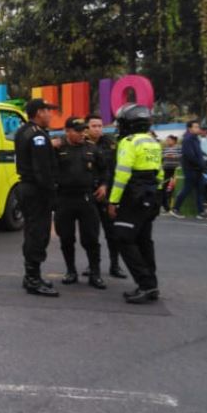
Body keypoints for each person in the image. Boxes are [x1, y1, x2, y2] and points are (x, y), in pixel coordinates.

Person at [107, 104, 164, 304]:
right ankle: (152, 285)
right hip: (151, 196)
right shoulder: (153, 142)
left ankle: (145, 285)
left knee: (122, 238)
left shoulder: (128, 142)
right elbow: (160, 173)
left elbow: (122, 175)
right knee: (143, 240)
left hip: (133, 197)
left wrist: (113, 201)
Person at [15, 98, 60, 297]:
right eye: (47, 110)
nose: (50, 114)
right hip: (37, 191)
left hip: (28, 189)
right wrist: (52, 193)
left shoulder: (24, 131)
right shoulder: (38, 136)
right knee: (38, 235)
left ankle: (32, 276)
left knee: (32, 232)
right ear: (39, 112)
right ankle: (33, 279)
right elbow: (42, 170)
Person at [55, 116, 105, 289]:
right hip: (64, 198)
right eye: (77, 131)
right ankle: (71, 271)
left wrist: (104, 185)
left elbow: (105, 170)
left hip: (86, 198)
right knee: (66, 237)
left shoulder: (92, 148)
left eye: (83, 130)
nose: (82, 134)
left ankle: (95, 273)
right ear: (67, 131)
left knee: (91, 238)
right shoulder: (58, 147)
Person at [85, 114, 125, 278]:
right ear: (87, 128)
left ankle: (115, 265)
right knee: (91, 234)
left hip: (108, 193)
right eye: (94, 126)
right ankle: (92, 265)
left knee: (112, 233)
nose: (97, 129)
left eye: (100, 126)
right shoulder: (81, 144)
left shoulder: (110, 143)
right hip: (88, 193)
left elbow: (116, 168)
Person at [170, 120, 207, 219]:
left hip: (198, 169)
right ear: (190, 128)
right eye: (195, 127)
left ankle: (201, 212)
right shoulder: (187, 140)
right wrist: (200, 164)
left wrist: (203, 163)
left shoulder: (196, 139)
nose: (198, 129)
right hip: (191, 169)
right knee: (187, 189)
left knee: (200, 190)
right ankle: (175, 208)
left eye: (198, 127)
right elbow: (190, 155)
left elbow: (199, 153)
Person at [161, 135, 181, 211]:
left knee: (175, 187)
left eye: (169, 140)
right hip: (166, 169)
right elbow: (161, 156)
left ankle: (174, 205)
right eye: (167, 140)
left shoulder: (179, 148)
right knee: (166, 187)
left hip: (176, 170)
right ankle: (166, 205)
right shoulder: (165, 149)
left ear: (174, 141)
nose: (167, 141)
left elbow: (182, 156)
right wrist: (165, 156)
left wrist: (174, 156)